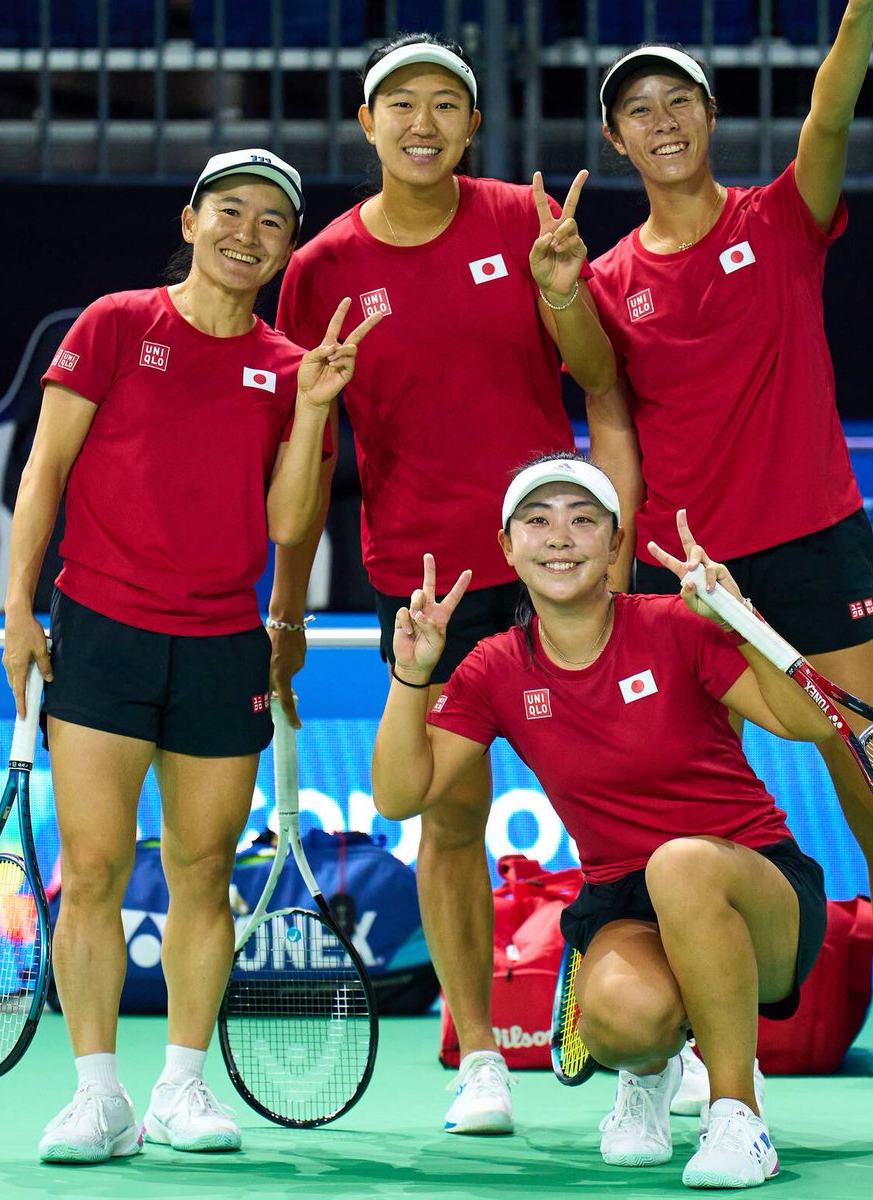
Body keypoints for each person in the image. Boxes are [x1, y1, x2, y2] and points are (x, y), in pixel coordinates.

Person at [584, 10, 873, 1141]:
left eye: (678, 101)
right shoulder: (606, 280)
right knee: (675, 826)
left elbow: (830, 112)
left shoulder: (779, 219)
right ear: (618, 140)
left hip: (814, 548)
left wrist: (861, 12)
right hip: (689, 577)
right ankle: (679, 1059)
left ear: (711, 119)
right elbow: (602, 409)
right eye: (639, 110)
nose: (662, 121)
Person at [1, 148, 381, 1164]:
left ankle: (179, 1087)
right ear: (189, 219)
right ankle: (96, 1098)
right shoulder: (117, 324)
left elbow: (290, 525)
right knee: (91, 869)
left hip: (222, 643)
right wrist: (16, 608)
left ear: (288, 247)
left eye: (271, 222)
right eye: (230, 212)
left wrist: (311, 412)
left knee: (204, 871)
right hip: (105, 630)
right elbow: (43, 470)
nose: (246, 233)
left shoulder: (294, 370)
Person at [269, 32, 616, 1134]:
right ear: (367, 127)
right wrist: (284, 606)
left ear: (472, 126)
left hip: (557, 563)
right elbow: (308, 447)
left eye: (445, 106)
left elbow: (598, 369)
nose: (422, 123)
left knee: (621, 810)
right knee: (452, 819)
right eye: (399, 105)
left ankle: (674, 1046)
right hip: (427, 585)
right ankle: (482, 1061)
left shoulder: (522, 221)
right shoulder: (320, 269)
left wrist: (564, 290)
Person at [371, 453, 834, 1188]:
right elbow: (401, 796)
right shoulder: (495, 667)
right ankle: (648, 1077)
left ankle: (737, 1117)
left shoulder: (677, 626)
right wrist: (411, 675)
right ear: (507, 546)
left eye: (584, 520)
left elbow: (811, 722)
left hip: (754, 889)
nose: (561, 537)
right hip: (628, 902)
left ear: (615, 545)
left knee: (681, 862)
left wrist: (744, 624)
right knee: (620, 1021)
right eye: (538, 520)